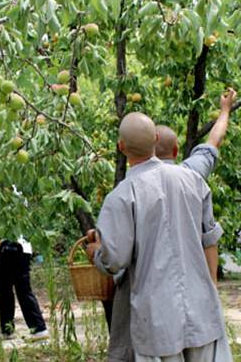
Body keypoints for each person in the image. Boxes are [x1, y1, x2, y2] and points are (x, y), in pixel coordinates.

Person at [86, 112, 232, 361]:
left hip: (156, 316)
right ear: (155, 139)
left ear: (121, 147)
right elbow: (209, 237)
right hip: (201, 306)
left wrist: (96, 252)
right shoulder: (192, 180)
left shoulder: (122, 196)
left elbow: (114, 261)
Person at [0, 237, 48, 340]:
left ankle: (8, 330)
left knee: (5, 290)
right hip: (24, 248)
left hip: (10, 247)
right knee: (21, 290)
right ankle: (38, 328)